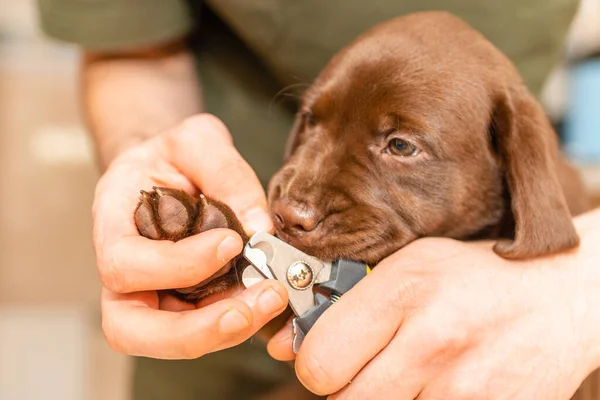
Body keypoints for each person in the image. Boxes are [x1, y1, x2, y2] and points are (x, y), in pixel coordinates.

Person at [36, 1, 597, 399]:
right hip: (228, 343)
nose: (298, 204)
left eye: (400, 145)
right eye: (311, 123)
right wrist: (148, 158)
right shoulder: (292, 211)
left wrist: (579, 292)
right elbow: (134, 50)